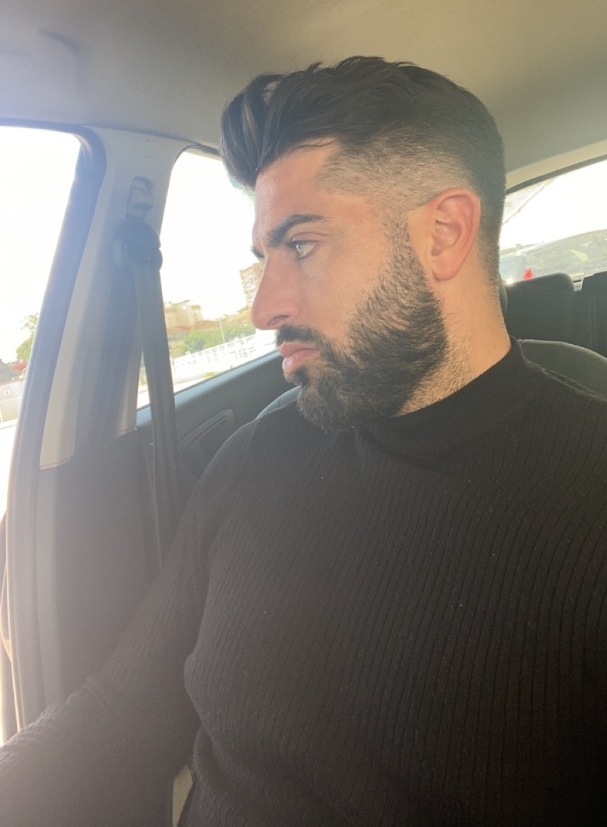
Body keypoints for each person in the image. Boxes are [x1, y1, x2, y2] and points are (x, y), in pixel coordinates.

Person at [1, 56, 607, 825]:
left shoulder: (587, 498)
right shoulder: (258, 455)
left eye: (302, 245)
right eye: (264, 257)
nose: (264, 308)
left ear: (444, 234)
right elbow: (122, 709)